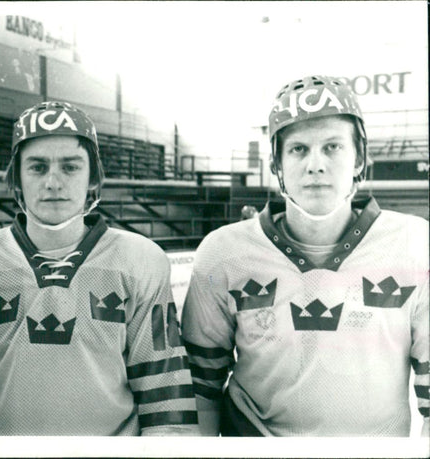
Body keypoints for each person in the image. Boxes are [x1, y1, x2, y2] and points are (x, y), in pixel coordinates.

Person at [0, 101, 199, 435]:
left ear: (93, 177)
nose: (53, 182)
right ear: (17, 177)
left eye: (70, 167)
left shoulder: (140, 260)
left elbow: (166, 400)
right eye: (37, 168)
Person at [181, 75, 429, 436]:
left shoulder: (416, 244)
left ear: (360, 158)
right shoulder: (224, 253)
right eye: (298, 149)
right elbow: (201, 390)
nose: (316, 165)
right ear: (276, 164)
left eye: (332, 147)